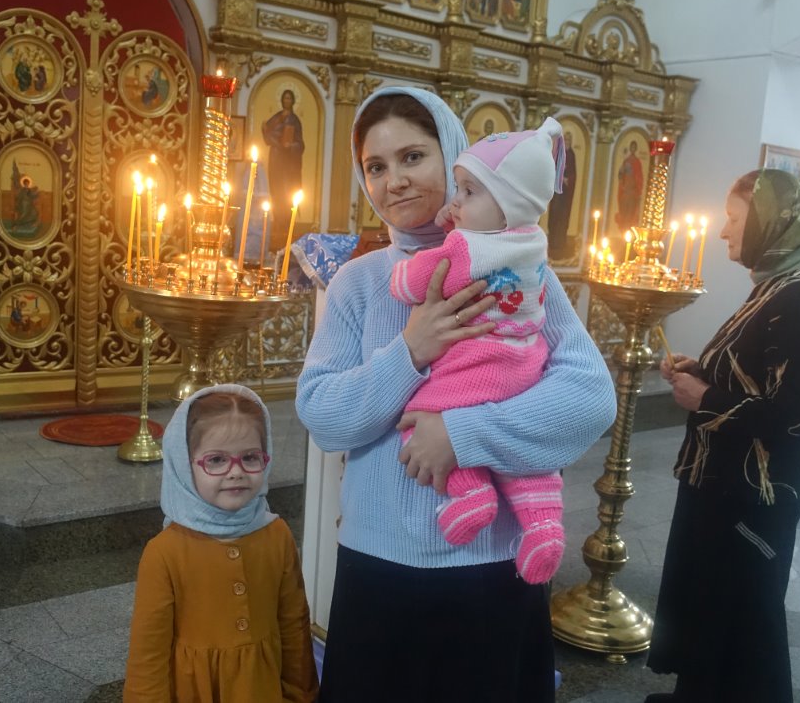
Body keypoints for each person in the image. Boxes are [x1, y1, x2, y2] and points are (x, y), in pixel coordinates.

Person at [296, 86, 615, 703]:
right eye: (376, 166)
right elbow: (324, 416)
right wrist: (411, 351)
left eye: (413, 157)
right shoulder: (360, 283)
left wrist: (462, 436)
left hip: (490, 567)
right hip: (381, 562)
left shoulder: (520, 269)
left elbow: (589, 396)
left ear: (454, 155)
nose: (394, 180)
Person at [644, 169, 800, 703]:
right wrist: (705, 371)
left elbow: (793, 414)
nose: (723, 231)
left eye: (735, 219)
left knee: (745, 611)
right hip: (726, 477)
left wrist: (706, 398)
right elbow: (763, 373)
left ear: (772, 223)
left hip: (753, 489)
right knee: (713, 599)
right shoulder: (783, 281)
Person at [389, 117, 568, 584]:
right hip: (526, 367)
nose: (457, 201)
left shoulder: (465, 250)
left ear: (507, 204)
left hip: (476, 366)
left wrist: (410, 266)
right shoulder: (533, 243)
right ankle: (543, 524)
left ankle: (470, 495)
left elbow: (410, 283)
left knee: (418, 417)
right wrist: (464, 218)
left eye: (469, 192)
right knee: (526, 455)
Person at [124, 384, 318, 702]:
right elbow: (147, 659)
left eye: (250, 457)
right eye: (216, 460)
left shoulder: (277, 535)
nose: (235, 472)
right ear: (184, 465)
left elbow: (293, 627)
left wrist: (301, 695)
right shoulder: (164, 553)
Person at [262, 89, 305, 252]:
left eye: (289, 98)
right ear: (281, 100)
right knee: (276, 193)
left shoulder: (295, 120)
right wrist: (265, 130)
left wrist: (290, 145)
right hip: (276, 161)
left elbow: (300, 144)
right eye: (285, 98)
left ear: (293, 101)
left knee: (287, 194)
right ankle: (277, 226)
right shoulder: (276, 117)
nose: (287, 100)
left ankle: (287, 228)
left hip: (289, 165)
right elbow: (267, 136)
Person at [547, 130, 576, 259]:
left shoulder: (572, 155)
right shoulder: (558, 154)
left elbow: (574, 173)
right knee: (554, 214)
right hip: (557, 192)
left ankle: (560, 243)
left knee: (563, 217)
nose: (567, 142)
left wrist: (568, 179)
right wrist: (560, 178)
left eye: (569, 140)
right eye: (566, 140)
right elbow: (552, 169)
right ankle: (552, 242)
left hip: (566, 194)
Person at [615, 139, 644, 232]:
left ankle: (629, 228)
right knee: (623, 208)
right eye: (631, 147)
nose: (633, 149)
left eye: (634, 147)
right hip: (626, 189)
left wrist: (636, 187)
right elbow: (620, 174)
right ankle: (623, 227)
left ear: (636, 149)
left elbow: (639, 176)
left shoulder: (637, 162)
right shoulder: (626, 161)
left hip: (632, 190)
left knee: (631, 211)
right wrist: (622, 175)